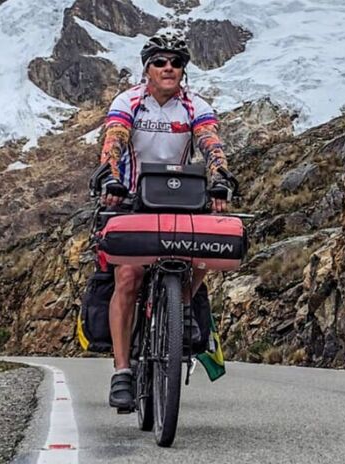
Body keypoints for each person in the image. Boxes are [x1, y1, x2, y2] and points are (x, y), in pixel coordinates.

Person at [98, 32, 230, 410]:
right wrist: (109, 175)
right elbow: (114, 140)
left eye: (176, 62)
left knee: (203, 251)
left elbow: (210, 143)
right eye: (160, 61)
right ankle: (122, 371)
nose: (168, 67)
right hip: (132, 199)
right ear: (147, 69)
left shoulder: (194, 106)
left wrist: (220, 177)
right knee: (128, 276)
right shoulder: (128, 102)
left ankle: (181, 307)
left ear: (183, 70)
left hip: (180, 199)